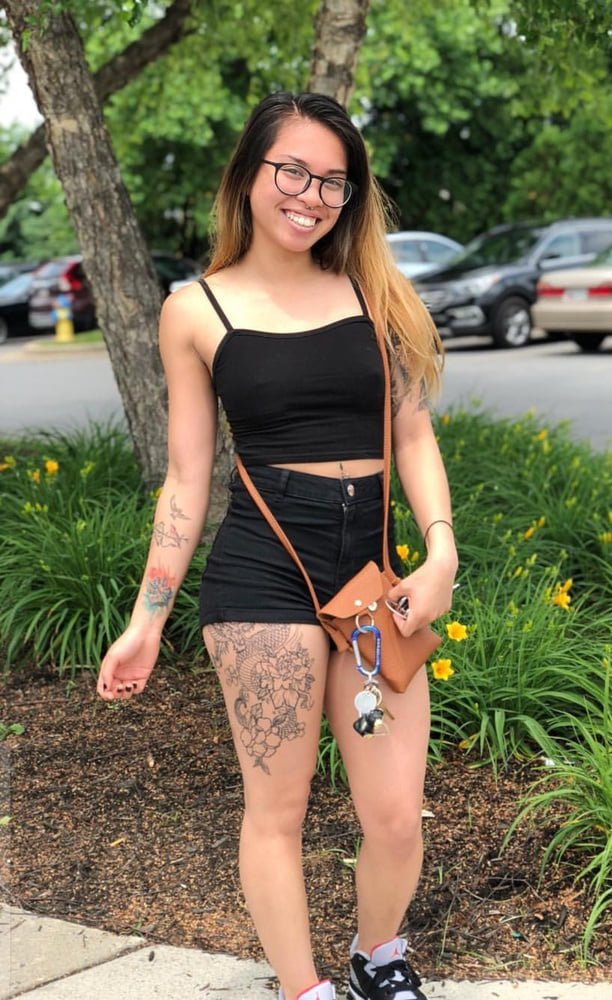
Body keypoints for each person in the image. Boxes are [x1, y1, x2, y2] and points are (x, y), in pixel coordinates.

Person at [97, 91, 458, 1000]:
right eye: (292, 170)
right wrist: (147, 619)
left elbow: (413, 435)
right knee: (278, 810)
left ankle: (379, 959)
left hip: (371, 578)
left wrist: (441, 553)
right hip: (264, 573)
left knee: (394, 814)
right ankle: (305, 989)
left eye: (334, 181)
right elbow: (187, 480)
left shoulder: (376, 293)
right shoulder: (195, 309)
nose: (311, 195)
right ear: (250, 173)